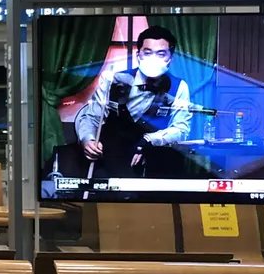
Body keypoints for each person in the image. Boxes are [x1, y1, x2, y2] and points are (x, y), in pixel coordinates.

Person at [72, 26, 192, 179]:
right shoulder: (114, 80)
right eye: (147, 52)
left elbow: (181, 128)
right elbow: (91, 117)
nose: (153, 58)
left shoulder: (179, 87)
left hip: (156, 157)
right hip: (112, 156)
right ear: (139, 55)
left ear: (170, 59)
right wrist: (87, 140)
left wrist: (148, 140)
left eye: (161, 54)